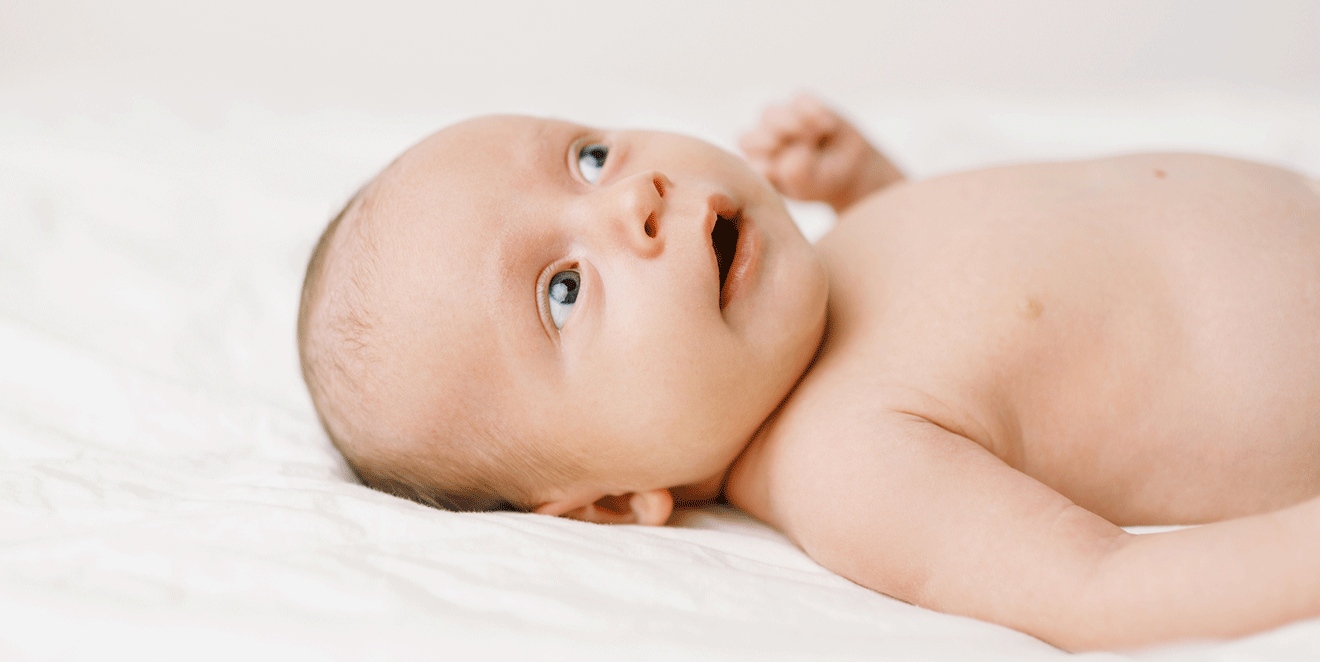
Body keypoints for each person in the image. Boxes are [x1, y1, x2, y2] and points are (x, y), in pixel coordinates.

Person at [297, 95, 1320, 650]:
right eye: (562, 289)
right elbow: (1098, 588)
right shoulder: (850, 459)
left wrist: (878, 195)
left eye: (590, 156)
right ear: (610, 503)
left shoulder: (827, 267)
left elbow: (1019, 311)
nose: (635, 198)